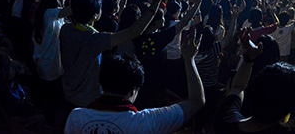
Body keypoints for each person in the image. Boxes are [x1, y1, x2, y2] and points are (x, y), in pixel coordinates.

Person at [64, 36, 205, 134]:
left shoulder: (76, 117)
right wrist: (189, 59)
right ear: (133, 91)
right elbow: (197, 101)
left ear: (101, 83)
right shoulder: (147, 122)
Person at [60, 0, 161, 107]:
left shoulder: (65, 28)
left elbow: (81, 7)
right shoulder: (95, 40)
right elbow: (133, 31)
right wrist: (156, 3)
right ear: (96, 15)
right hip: (86, 99)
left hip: (67, 91)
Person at [215, 28, 295, 133]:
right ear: (290, 107)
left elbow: (237, 87)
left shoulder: (225, 120)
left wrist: (249, 59)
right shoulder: (293, 130)